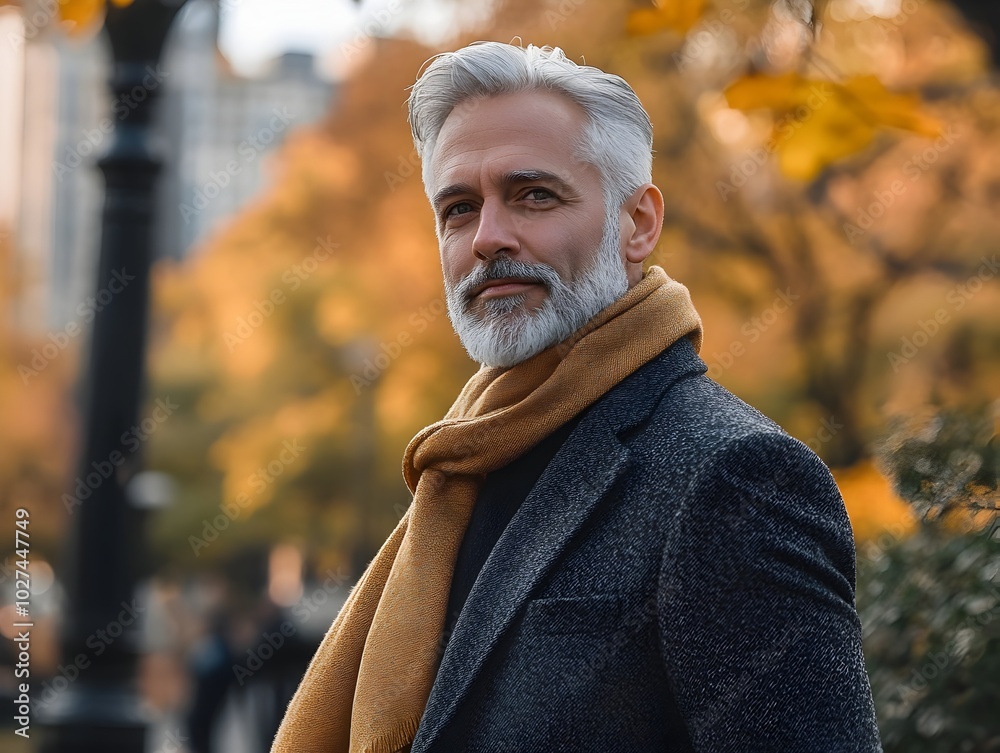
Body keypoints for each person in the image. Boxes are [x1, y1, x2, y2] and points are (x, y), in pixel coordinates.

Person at [272, 41, 882, 752]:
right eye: (459, 208)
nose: (489, 238)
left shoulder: (737, 478)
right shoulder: (460, 467)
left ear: (638, 223)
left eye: (534, 194)